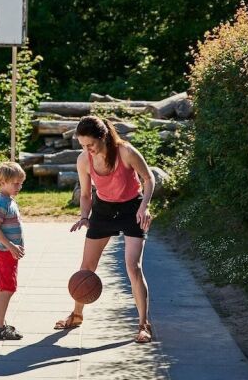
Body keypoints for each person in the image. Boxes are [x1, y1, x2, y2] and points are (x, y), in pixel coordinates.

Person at [54, 115, 155, 343]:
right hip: (103, 211)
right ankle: (77, 314)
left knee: (133, 267)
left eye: (90, 144)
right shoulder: (83, 160)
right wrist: (84, 216)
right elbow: (87, 194)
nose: (87, 149)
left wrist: (144, 206)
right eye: (82, 145)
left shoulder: (125, 152)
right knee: (86, 268)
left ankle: (143, 324)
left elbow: (148, 180)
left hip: (131, 209)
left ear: (104, 136)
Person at [0, 161, 26, 340]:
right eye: (15, 183)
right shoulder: (1, 203)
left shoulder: (8, 200)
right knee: (8, 288)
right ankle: (0, 328)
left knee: (1, 286)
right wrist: (11, 246)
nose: (19, 186)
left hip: (6, 252)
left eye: (21, 183)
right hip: (5, 252)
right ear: (2, 183)